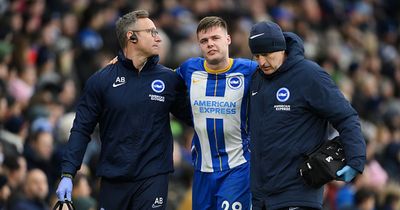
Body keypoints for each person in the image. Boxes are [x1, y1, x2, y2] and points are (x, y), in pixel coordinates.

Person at [55, 10, 192, 210]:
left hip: (153, 177)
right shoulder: (101, 81)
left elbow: (194, 117)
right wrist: (67, 173)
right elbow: (81, 129)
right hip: (113, 178)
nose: (158, 37)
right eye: (151, 32)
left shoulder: (169, 79)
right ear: (132, 36)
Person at [247, 20, 366, 210]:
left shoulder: (309, 75)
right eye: (257, 55)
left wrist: (356, 160)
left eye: (267, 54)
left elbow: (346, 117)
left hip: (298, 193)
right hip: (261, 199)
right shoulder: (256, 80)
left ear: (281, 49)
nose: (262, 62)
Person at [175, 16, 257, 210]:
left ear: (227, 39)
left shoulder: (250, 70)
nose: (210, 44)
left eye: (215, 38)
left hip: (237, 168)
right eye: (204, 41)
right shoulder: (189, 69)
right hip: (202, 169)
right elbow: (161, 80)